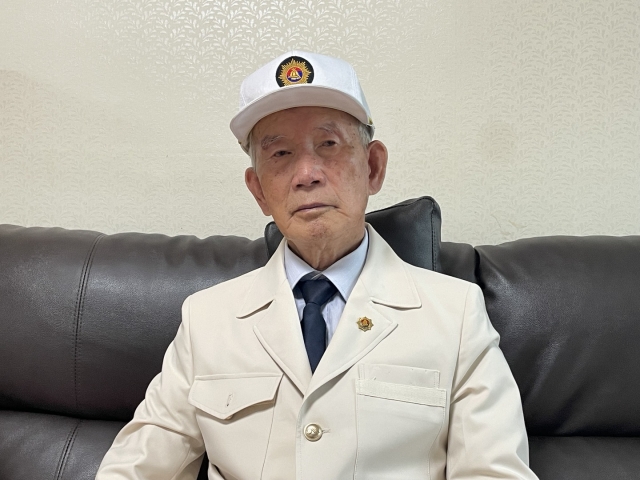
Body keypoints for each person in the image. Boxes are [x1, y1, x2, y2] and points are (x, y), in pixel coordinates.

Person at [96, 51, 538, 479]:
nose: (307, 173)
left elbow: (494, 471)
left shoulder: (456, 314)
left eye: (328, 145)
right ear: (258, 190)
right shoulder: (207, 319)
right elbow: (138, 465)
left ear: (373, 167)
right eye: (280, 154)